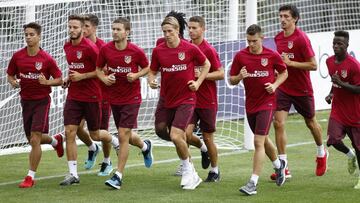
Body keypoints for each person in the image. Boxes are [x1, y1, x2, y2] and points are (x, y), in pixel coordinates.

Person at [148, 16, 210, 190]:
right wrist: (151, 81)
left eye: (170, 31)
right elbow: (152, 71)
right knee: (161, 130)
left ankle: (189, 171)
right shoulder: (158, 51)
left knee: (176, 135)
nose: (167, 35)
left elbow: (206, 64)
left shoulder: (189, 48)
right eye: (164, 32)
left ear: (177, 31)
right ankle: (189, 159)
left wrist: (197, 83)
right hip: (166, 99)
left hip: (186, 99)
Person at [230, 24, 288, 195]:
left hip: (267, 103)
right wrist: (240, 76)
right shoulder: (240, 56)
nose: (251, 44)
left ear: (262, 38)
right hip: (251, 104)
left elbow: (284, 72)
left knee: (257, 142)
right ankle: (279, 166)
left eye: (254, 41)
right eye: (248, 41)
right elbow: (232, 79)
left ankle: (252, 183)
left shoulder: (271, 55)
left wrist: (275, 85)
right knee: (263, 139)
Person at [271, 4, 328, 180]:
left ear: (295, 18)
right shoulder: (278, 38)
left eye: (286, 16)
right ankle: (283, 167)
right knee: (278, 123)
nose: (282, 19)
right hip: (284, 87)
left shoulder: (301, 38)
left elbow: (313, 64)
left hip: (302, 88)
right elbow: (282, 63)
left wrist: (292, 64)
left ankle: (321, 153)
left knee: (311, 123)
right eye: (281, 16)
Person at [96, 17, 153, 190]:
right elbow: (98, 69)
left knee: (122, 134)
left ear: (127, 32)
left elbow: (147, 67)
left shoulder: (135, 51)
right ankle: (145, 146)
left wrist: (136, 75)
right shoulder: (106, 50)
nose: (114, 32)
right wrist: (105, 79)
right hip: (115, 97)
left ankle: (118, 176)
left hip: (132, 98)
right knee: (126, 134)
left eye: (118, 29)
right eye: (113, 29)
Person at [7, 22, 64, 188]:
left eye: (31, 34)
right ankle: (55, 141)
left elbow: (60, 79)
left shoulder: (46, 59)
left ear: (39, 36)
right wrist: (14, 82)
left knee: (34, 139)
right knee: (32, 139)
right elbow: (10, 75)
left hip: (42, 101)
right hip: (25, 101)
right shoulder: (18, 56)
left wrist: (47, 82)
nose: (28, 37)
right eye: (26, 34)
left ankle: (30, 177)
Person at [60, 14, 113, 186]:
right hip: (74, 96)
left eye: (75, 27)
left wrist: (82, 76)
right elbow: (74, 67)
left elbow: (102, 70)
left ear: (83, 29)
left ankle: (113, 144)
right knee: (70, 132)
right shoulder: (67, 45)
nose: (72, 30)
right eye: (70, 27)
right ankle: (73, 173)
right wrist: (69, 78)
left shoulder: (91, 47)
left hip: (92, 96)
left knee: (96, 133)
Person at [80, 13, 119, 176]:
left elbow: (109, 69)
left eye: (86, 26)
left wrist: (107, 75)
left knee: (101, 131)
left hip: (102, 95)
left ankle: (107, 161)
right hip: (82, 94)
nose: (83, 30)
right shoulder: (77, 45)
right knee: (75, 127)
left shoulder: (104, 47)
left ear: (95, 28)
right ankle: (91, 147)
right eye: (81, 26)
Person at [187, 16, 224, 182]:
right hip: (189, 100)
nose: (191, 31)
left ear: (203, 29)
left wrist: (203, 75)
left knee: (208, 137)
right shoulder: (185, 47)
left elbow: (221, 74)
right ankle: (200, 152)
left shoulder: (208, 50)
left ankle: (215, 170)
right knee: (185, 134)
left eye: (195, 28)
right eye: (189, 28)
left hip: (207, 100)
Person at [325, 30, 360, 189]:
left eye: (340, 44)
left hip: (354, 112)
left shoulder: (354, 65)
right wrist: (330, 94)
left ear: (347, 45)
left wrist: (342, 83)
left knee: (359, 147)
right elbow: (335, 82)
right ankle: (349, 155)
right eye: (334, 43)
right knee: (333, 139)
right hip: (338, 109)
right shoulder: (329, 61)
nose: (336, 46)